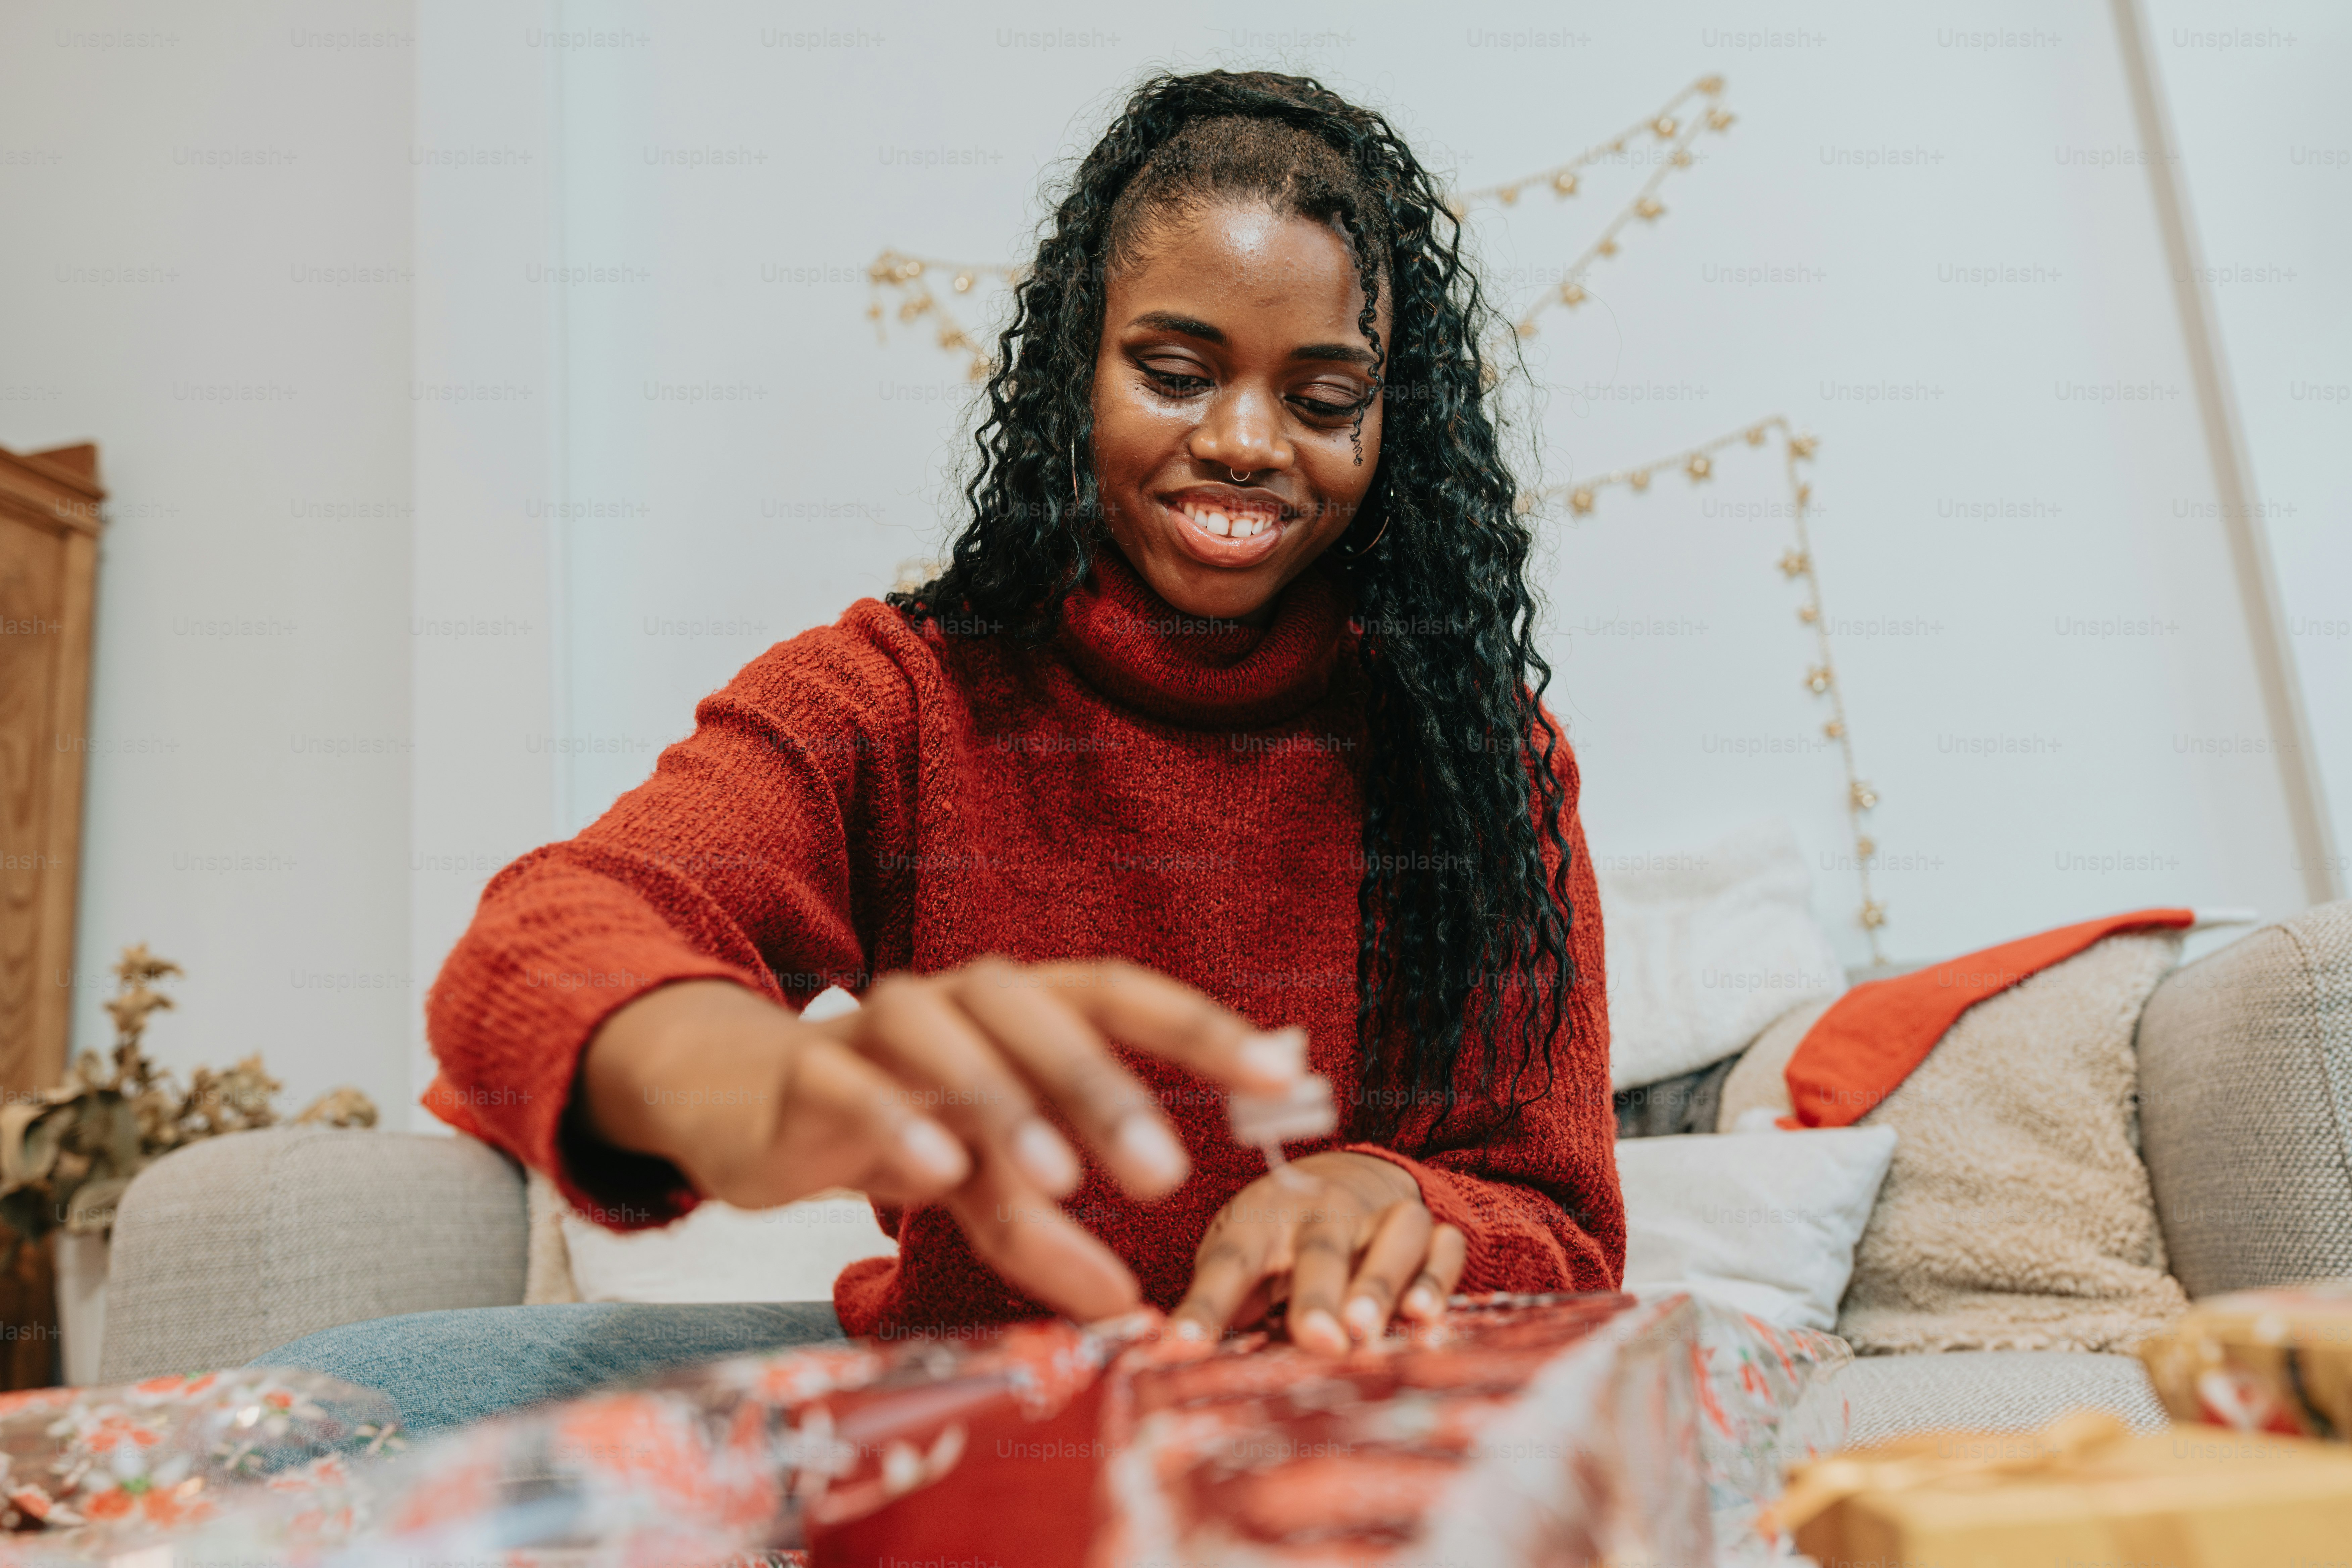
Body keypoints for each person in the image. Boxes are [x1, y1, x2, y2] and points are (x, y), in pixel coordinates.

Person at [268, 68, 1622, 1436]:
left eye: (1327, 398)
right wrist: (738, 1072)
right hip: (979, 1426)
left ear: (1390, 430)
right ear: (1071, 372)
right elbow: (533, 952)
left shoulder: (1479, 755)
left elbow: (1562, 1223)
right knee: (335, 1407)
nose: (1244, 442)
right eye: (1174, 374)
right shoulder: (902, 699)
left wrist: (1397, 1195)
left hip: (1342, 1441)